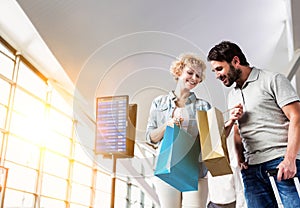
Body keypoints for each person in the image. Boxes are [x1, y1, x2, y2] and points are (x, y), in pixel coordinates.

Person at [207, 40, 300, 207]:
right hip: (251, 168)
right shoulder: (232, 95)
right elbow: (238, 131)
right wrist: (240, 158)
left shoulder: (272, 79)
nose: (217, 75)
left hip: (280, 161)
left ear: (235, 61)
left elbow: (296, 117)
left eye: (219, 69)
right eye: (214, 71)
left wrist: (290, 159)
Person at [146, 53, 210, 208]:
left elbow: (210, 142)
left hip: (195, 172)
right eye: (190, 72)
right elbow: (150, 138)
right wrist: (169, 124)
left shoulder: (203, 106)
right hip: (166, 171)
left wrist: (227, 125)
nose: (194, 78)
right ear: (179, 71)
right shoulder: (159, 103)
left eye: (198, 76)